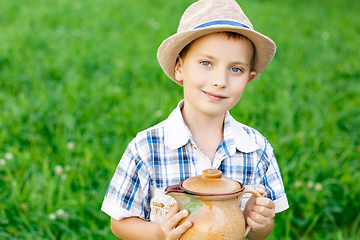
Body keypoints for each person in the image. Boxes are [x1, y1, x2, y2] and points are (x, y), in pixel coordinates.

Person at [101, 0, 289, 239]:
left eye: (236, 69)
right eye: (206, 63)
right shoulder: (146, 147)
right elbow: (119, 222)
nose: (220, 80)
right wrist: (158, 233)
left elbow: (258, 233)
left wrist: (259, 222)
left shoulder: (257, 149)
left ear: (249, 79)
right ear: (179, 68)